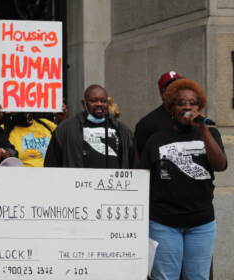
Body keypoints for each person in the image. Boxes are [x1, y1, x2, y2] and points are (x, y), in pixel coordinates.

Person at [139, 78, 227, 280]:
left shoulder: (210, 134)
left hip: (201, 224)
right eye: (181, 103)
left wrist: (203, 130)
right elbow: (142, 178)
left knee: (198, 276)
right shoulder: (157, 139)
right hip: (164, 223)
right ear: (172, 108)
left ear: (199, 106)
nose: (187, 106)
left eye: (192, 103)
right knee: (165, 277)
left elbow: (220, 165)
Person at [44, 84, 135, 168]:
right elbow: (51, 164)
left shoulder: (123, 131)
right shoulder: (65, 129)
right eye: (93, 101)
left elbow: (134, 165)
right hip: (78, 184)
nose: (99, 104)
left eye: (103, 101)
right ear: (84, 103)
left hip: (113, 185)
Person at [135, 71, 182, 157]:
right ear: (162, 92)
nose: (178, 92)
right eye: (173, 88)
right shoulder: (147, 124)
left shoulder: (190, 120)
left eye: (180, 87)